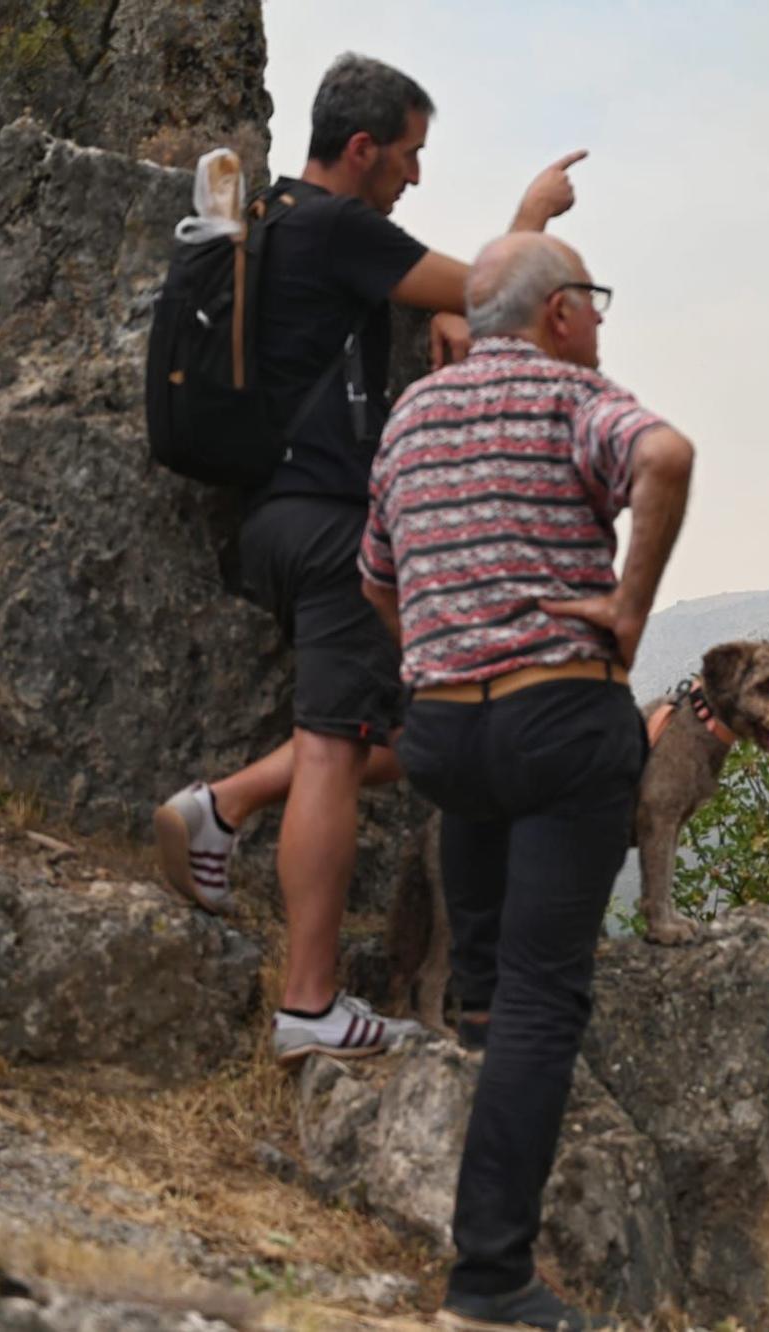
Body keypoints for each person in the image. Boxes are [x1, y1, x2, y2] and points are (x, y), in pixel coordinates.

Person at [151, 52, 587, 1065]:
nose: (414, 177)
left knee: (432, 730)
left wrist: (433, 311)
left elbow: (448, 305)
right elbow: (499, 289)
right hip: (327, 525)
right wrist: (533, 207)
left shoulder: (274, 225)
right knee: (343, 751)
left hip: (270, 521)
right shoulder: (338, 226)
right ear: (361, 148)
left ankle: (227, 804)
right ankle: (309, 1006)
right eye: (407, 155)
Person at [360, 231, 693, 1331]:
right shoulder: (571, 396)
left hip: (448, 739)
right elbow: (667, 457)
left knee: (501, 983)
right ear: (557, 315)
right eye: (590, 298)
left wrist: (441, 648)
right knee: (550, 1002)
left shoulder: (414, 413)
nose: (597, 318)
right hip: (559, 718)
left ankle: (474, 1010)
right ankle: (489, 1281)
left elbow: (375, 575)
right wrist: (630, 609)